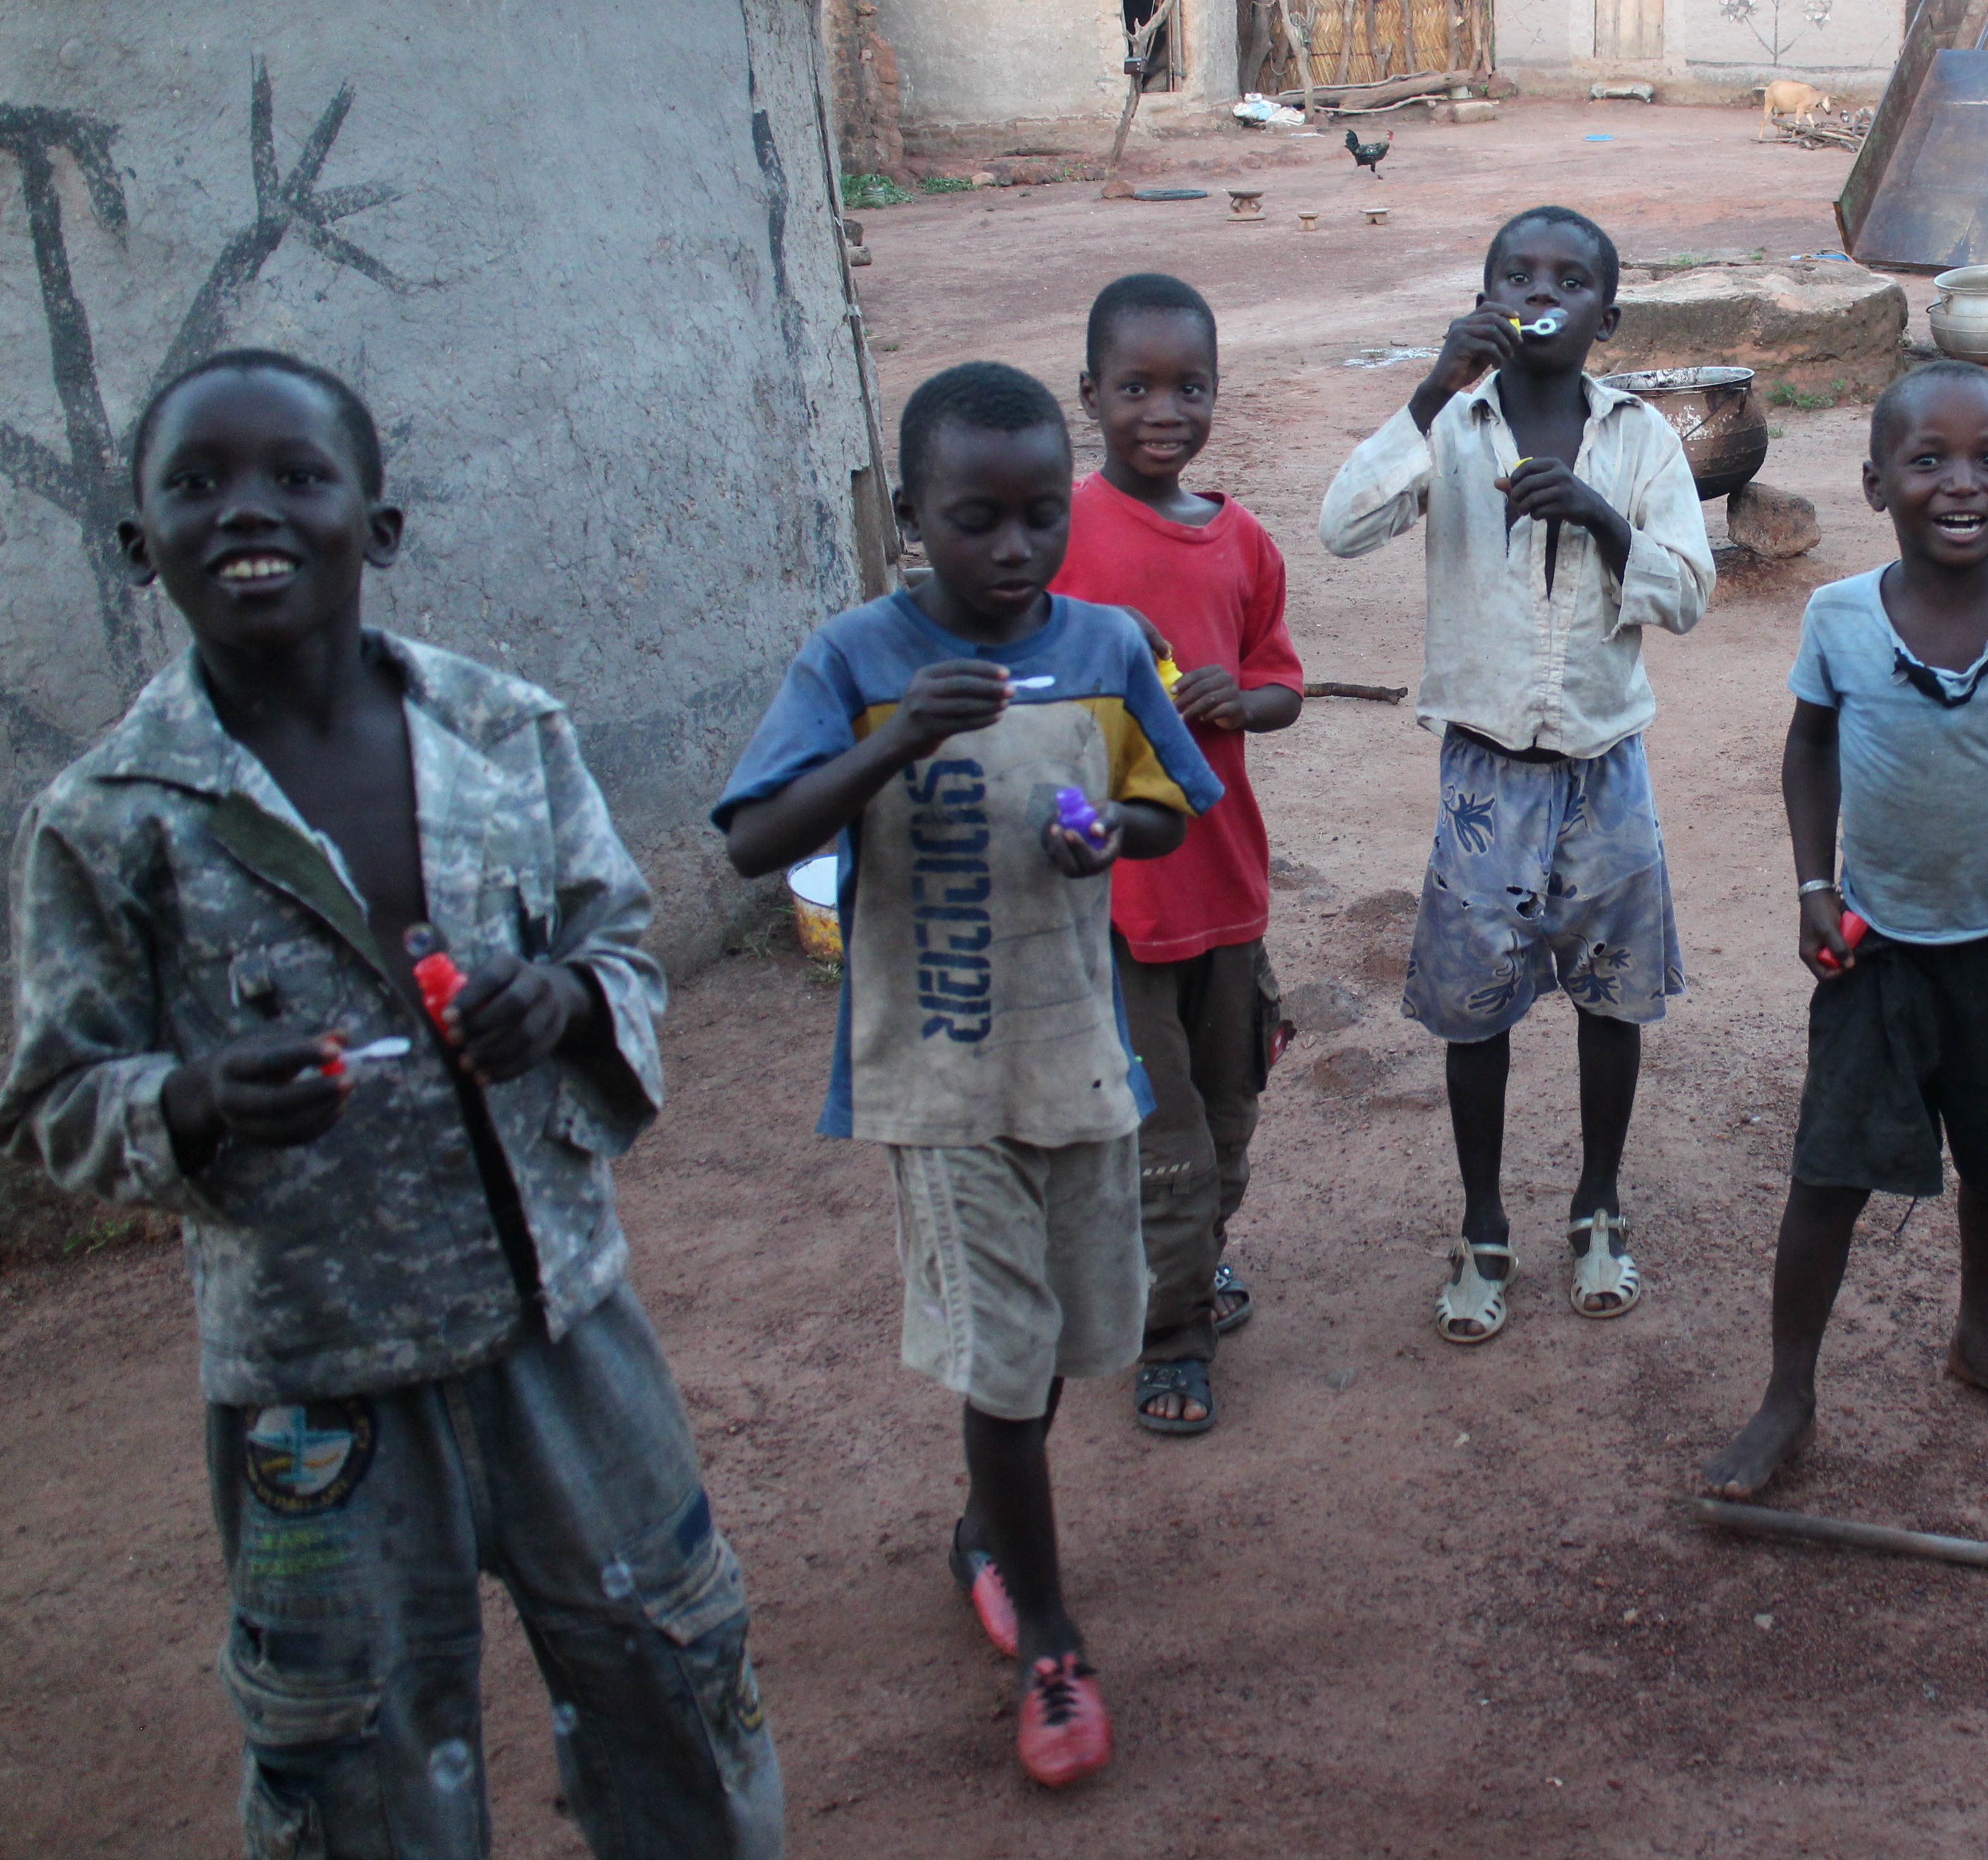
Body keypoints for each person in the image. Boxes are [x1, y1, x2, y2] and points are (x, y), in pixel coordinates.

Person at [0, 350, 781, 1856]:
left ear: (380, 520)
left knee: (673, 1673)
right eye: (198, 483)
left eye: (299, 478)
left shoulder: (506, 733)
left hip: (564, 1329)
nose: (251, 512)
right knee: (354, 1759)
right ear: (134, 539)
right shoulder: (110, 820)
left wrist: (561, 1001)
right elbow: (54, 1099)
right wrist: (194, 1098)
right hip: (315, 1380)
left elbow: (615, 943)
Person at [713, 362, 1221, 1785]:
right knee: (1007, 1350)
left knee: (1057, 1338)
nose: (1012, 550)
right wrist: (899, 744)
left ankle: (983, 1531)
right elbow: (758, 841)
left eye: (1040, 516)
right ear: (912, 518)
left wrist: (1108, 837)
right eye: (974, 519)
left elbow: (1170, 806)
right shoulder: (858, 660)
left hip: (1075, 1049)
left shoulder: (1109, 647)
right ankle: (1052, 1638)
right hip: (934, 1073)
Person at [1702, 362, 1988, 1500]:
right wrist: (1810, 889)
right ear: (1875, 480)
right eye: (1927, 459)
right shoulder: (1841, 618)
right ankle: (1789, 1393)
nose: (1961, 483)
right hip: (1877, 945)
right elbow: (1808, 750)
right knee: (1830, 1172)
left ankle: (1981, 1336)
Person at [1317, 205, 1714, 1345]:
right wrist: (1431, 389)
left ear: (1608, 313)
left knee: (1612, 997)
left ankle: (1598, 1203)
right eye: (1516, 274)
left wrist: (1599, 518)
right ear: (1484, 294)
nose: (1542, 293)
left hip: (1606, 769)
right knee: (1475, 1013)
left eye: (1571, 279)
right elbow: (1342, 528)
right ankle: (1484, 1220)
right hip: (1487, 777)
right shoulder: (1451, 427)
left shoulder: (1639, 439)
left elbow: (1686, 595)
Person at [1050, 273, 1304, 1435]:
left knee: (1229, 1106)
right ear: (1090, 392)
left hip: (1226, 885)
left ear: (1216, 394)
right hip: (1116, 900)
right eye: (1137, 386)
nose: (1165, 409)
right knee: (1163, 1138)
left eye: (1188, 386)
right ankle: (1175, 1333)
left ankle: (1198, 1262)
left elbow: (1282, 682)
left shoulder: (1242, 538)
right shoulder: (1057, 533)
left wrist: (1238, 702)